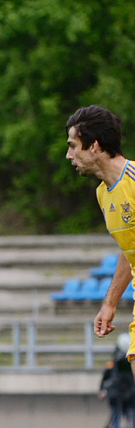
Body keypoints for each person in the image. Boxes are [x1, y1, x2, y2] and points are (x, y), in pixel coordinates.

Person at [66, 106, 135, 365]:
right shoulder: (103, 195)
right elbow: (130, 248)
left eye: (73, 146)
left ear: (93, 146)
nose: (68, 155)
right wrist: (110, 303)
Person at [98, 334, 135, 428]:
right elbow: (106, 378)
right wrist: (102, 390)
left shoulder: (130, 363)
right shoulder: (113, 365)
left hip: (130, 397)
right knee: (115, 425)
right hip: (118, 397)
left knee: (131, 425)